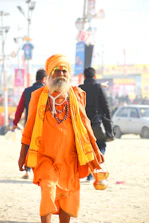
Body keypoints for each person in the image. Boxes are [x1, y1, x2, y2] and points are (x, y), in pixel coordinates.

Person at [18, 54, 104, 223]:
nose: (61, 74)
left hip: (69, 159)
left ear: (69, 74)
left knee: (67, 198)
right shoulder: (38, 96)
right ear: (49, 74)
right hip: (45, 157)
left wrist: (95, 150)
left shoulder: (76, 95)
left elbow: (85, 125)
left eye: (64, 70)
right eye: (56, 71)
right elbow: (29, 126)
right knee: (48, 190)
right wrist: (22, 154)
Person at [79, 67, 114, 181]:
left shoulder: (80, 88)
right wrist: (109, 126)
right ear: (94, 76)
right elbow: (106, 107)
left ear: (84, 77)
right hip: (98, 124)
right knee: (101, 146)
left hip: (84, 125)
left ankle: (90, 173)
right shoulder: (98, 88)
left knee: (88, 149)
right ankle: (95, 170)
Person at [12, 69, 47, 179]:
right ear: (45, 79)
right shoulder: (47, 90)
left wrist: (15, 122)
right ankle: (41, 170)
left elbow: (20, 108)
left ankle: (27, 170)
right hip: (44, 124)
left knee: (28, 144)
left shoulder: (27, 91)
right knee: (43, 147)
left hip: (30, 123)